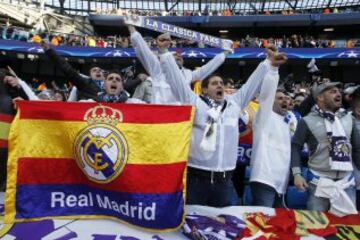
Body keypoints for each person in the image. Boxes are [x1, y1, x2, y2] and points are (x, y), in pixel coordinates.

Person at [158, 39, 287, 207]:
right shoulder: (194, 103)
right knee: (193, 221)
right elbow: (176, 80)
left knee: (222, 225)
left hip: (224, 181)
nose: (219, 85)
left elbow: (252, 83)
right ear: (204, 90)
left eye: (221, 83)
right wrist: (164, 52)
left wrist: (268, 61)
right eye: (214, 83)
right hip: (197, 178)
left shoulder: (234, 104)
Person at [291, 82, 360, 216]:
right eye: (332, 92)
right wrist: (297, 174)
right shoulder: (306, 121)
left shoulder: (348, 118)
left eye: (338, 91)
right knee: (317, 226)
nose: (338, 94)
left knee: (347, 229)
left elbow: (357, 148)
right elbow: (295, 147)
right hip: (318, 182)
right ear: (320, 97)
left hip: (346, 182)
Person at [128, 25, 228, 104]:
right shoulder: (158, 70)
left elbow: (207, 68)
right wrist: (131, 27)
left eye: (180, 56)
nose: (179, 56)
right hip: (160, 118)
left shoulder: (188, 73)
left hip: (181, 120)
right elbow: (144, 52)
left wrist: (225, 53)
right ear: (167, 58)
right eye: (175, 55)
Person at [40, 41, 142, 103]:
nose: (98, 71)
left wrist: (140, 79)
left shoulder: (126, 99)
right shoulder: (86, 84)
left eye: (100, 70)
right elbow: (68, 70)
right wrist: (50, 52)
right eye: (94, 70)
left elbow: (128, 84)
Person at [250, 88, 297, 207]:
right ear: (270, 101)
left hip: (281, 182)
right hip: (264, 178)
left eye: (286, 98)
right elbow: (266, 95)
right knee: (263, 220)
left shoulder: (289, 119)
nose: (285, 100)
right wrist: (273, 71)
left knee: (278, 222)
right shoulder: (264, 116)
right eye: (280, 98)